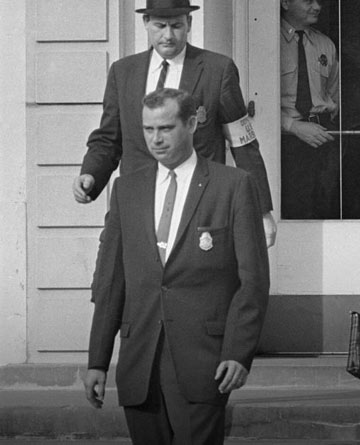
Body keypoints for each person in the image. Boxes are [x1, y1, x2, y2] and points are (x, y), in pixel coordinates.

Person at [83, 88, 270, 444]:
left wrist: (238, 351)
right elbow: (111, 281)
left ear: (193, 123)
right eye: (148, 130)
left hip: (204, 360)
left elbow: (254, 281)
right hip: (140, 360)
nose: (156, 139)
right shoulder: (127, 189)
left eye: (166, 128)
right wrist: (98, 359)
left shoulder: (233, 186)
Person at [72, 0, 277, 247]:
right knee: (111, 282)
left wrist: (262, 210)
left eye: (177, 26)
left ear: (189, 23)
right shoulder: (123, 72)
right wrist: (91, 174)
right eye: (160, 26)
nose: (168, 35)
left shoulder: (217, 70)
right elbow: (108, 138)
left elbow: (242, 143)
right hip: (137, 206)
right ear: (146, 23)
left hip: (199, 208)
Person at [279, 0, 341, 219]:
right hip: (286, 141)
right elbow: (257, 102)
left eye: (318, 1)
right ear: (285, 2)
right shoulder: (269, 41)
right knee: (294, 209)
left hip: (322, 136)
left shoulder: (325, 45)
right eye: (308, 1)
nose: (317, 6)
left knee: (327, 206)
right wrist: (292, 126)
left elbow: (333, 94)